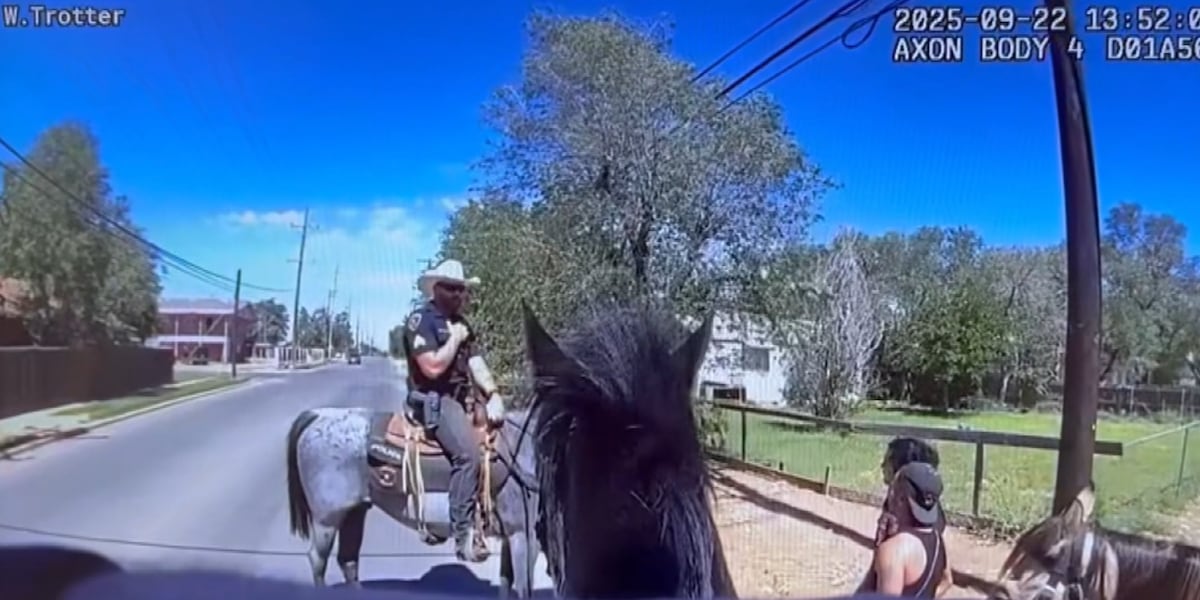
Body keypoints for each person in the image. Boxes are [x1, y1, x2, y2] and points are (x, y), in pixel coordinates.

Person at [396, 259, 507, 563]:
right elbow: (431, 367)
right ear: (437, 289)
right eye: (453, 289)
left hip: (460, 399)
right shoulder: (422, 320)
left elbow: (476, 363)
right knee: (468, 455)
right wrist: (454, 340)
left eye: (462, 290)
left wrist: (494, 393)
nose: (460, 295)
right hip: (432, 399)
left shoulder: (462, 324)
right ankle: (463, 535)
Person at [863, 462, 953, 598]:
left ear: (900, 499)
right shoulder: (938, 540)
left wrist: (880, 551)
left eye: (892, 490)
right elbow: (947, 581)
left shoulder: (894, 550)